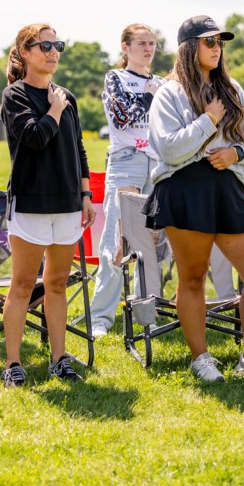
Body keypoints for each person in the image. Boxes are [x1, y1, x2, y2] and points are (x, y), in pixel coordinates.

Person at [146, 15, 244, 382]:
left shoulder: (232, 88)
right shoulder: (170, 93)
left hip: (228, 185)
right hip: (185, 187)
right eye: (209, 41)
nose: (216, 47)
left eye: (220, 41)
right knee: (192, 277)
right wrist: (208, 120)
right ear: (189, 47)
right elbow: (168, 149)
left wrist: (236, 153)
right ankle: (201, 358)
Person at [0, 24, 94, 386]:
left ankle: (59, 359)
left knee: (56, 284)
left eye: (58, 45)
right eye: (45, 46)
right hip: (31, 203)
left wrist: (85, 195)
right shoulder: (15, 95)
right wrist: (54, 110)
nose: (54, 52)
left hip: (68, 203)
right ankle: (12, 363)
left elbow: (78, 148)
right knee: (23, 285)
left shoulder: (67, 96)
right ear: (25, 52)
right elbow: (35, 137)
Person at [89, 23, 163, 338]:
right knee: (117, 241)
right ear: (125, 47)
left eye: (152, 43)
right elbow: (122, 118)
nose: (148, 49)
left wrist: (155, 94)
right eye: (141, 43)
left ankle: (146, 314)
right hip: (126, 162)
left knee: (150, 242)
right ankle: (100, 318)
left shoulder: (161, 83)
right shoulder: (116, 78)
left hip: (157, 164)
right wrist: (150, 97)